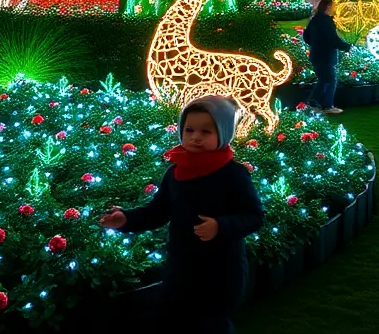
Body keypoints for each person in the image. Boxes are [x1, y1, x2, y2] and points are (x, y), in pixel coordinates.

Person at [100, 96, 263, 333]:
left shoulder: (233, 175)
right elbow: (159, 210)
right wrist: (127, 219)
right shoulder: (176, 172)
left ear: (223, 133)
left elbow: (254, 215)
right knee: (175, 318)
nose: (195, 137)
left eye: (206, 131)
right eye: (189, 130)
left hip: (221, 271)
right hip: (181, 267)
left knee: (211, 324)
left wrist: (221, 226)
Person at [302, 0, 352, 114]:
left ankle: (314, 103)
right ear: (328, 6)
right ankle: (327, 106)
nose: (334, 8)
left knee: (324, 80)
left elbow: (306, 37)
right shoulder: (326, 21)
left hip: (316, 54)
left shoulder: (314, 19)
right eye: (333, 6)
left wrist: (315, 44)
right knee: (330, 80)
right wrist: (347, 47)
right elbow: (333, 40)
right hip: (326, 56)